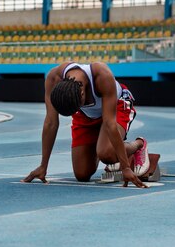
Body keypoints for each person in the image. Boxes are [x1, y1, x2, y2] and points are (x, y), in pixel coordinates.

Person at [22, 61, 150, 188]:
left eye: (78, 106)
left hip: (115, 107)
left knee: (106, 153)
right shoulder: (53, 78)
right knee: (82, 174)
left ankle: (139, 145)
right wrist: (43, 165)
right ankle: (110, 151)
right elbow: (51, 123)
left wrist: (125, 167)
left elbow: (109, 123)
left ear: (82, 93)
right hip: (85, 116)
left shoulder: (101, 75)